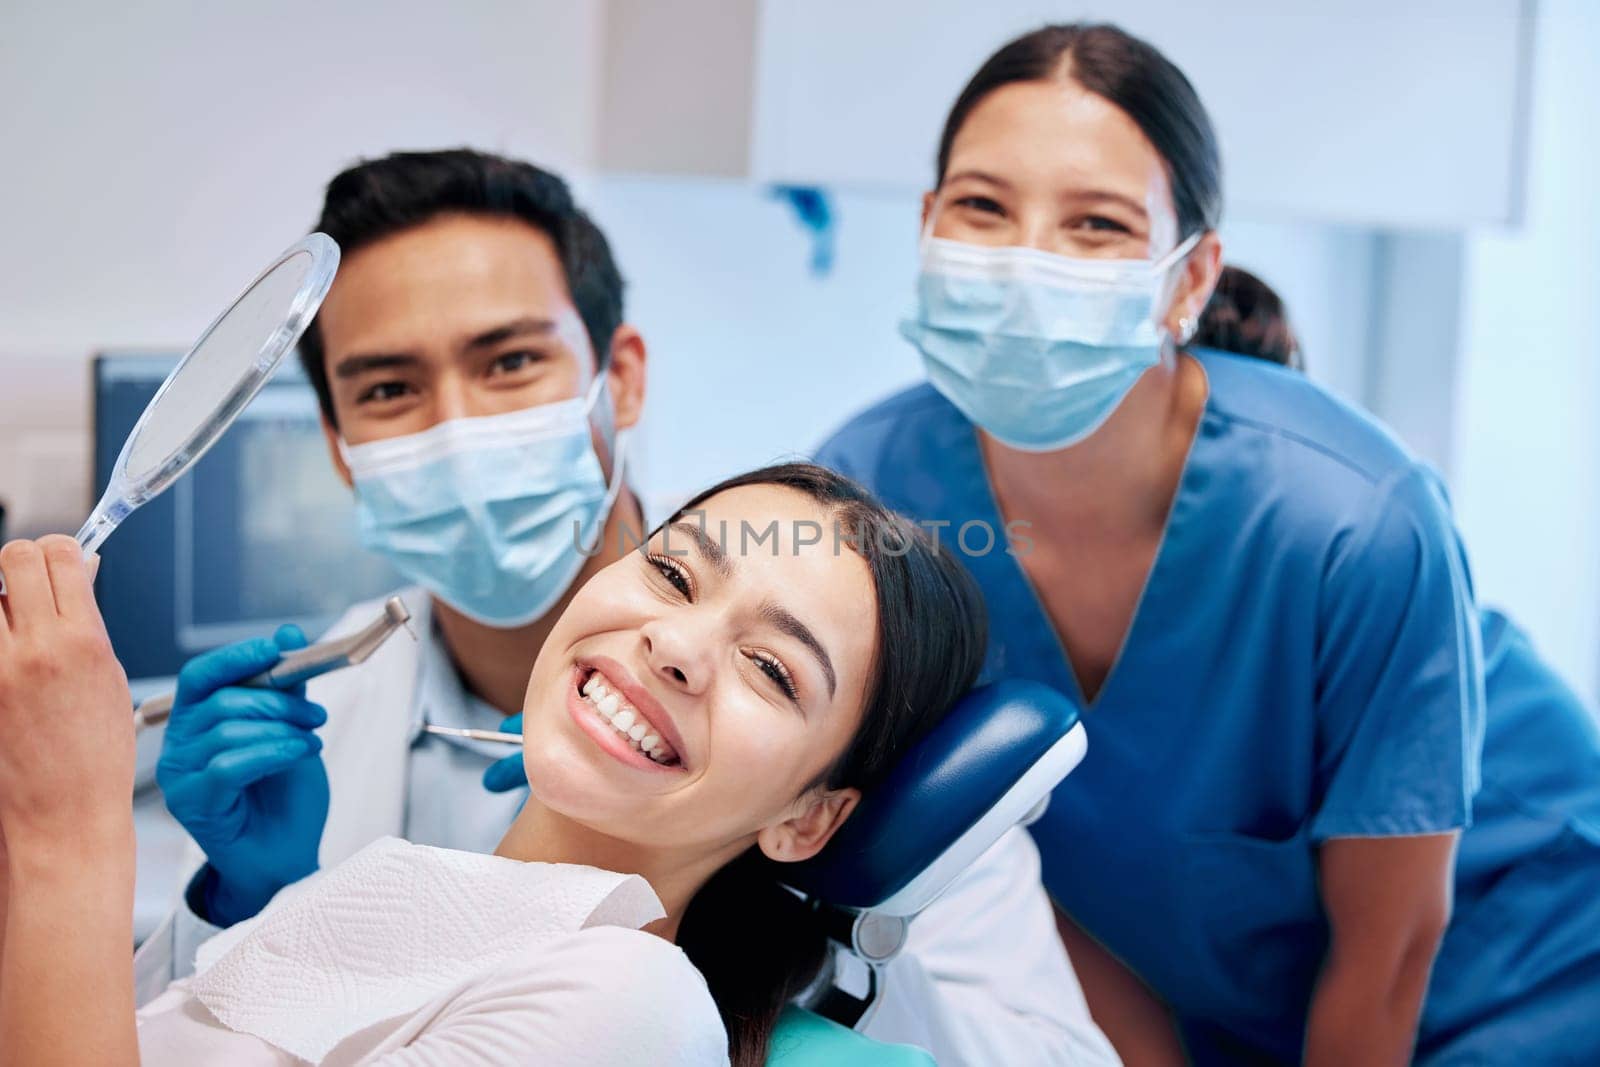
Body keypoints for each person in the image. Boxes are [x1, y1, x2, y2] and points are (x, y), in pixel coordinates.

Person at [134, 149, 1114, 1065]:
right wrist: (245, 905)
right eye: (390, 386)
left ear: (624, 375)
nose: (460, 424)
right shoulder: (317, 715)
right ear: (342, 443)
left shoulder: (858, 738)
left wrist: (806, 936)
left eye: (510, 360)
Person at [816, 22, 1600, 1066]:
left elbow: (1394, 943)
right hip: (1221, 998)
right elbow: (1008, 876)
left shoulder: (1350, 517)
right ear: (925, 225)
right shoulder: (876, 499)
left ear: (1188, 281)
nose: (1023, 263)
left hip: (1515, 959)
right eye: (982, 207)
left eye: (1094, 224)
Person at [0, 463, 989, 1065]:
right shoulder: (408, 886)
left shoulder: (629, 1004)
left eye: (771, 668)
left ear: (806, 819)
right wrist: (257, 898)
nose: (676, 645)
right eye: (672, 570)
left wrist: (67, 831)